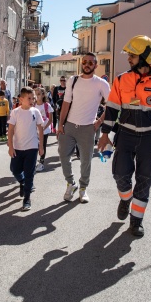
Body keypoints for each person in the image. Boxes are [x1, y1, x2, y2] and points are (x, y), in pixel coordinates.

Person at [97, 35, 151, 237]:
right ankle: (125, 199)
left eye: (132, 55)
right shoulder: (121, 80)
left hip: (149, 139)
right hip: (125, 135)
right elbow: (112, 109)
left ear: (143, 56)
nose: (128, 59)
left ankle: (136, 221)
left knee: (145, 179)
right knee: (120, 175)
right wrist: (104, 135)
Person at [57, 53, 110, 203]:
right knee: (63, 156)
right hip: (69, 126)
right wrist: (60, 124)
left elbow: (111, 106)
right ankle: (70, 183)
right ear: (82, 63)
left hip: (88, 128)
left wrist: (98, 122)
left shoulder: (101, 84)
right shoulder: (73, 80)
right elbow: (66, 103)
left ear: (95, 65)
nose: (87, 64)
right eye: (84, 62)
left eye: (90, 62)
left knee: (85, 160)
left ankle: (83, 188)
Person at [7, 87, 44, 211]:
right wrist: (10, 146)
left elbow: (40, 129)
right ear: (21, 99)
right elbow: (11, 130)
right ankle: (22, 182)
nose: (32, 100)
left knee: (29, 174)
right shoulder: (15, 112)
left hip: (32, 148)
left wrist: (41, 146)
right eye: (29, 98)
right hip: (18, 147)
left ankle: (27, 199)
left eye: (33, 98)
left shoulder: (36, 112)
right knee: (14, 169)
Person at [34, 87, 53, 171]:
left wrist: (44, 128)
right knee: (34, 146)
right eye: (35, 94)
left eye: (38, 94)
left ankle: (41, 162)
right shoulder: (33, 105)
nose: (37, 96)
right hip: (34, 130)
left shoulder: (47, 105)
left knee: (43, 145)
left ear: (42, 95)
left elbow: (51, 119)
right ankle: (33, 162)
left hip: (45, 129)